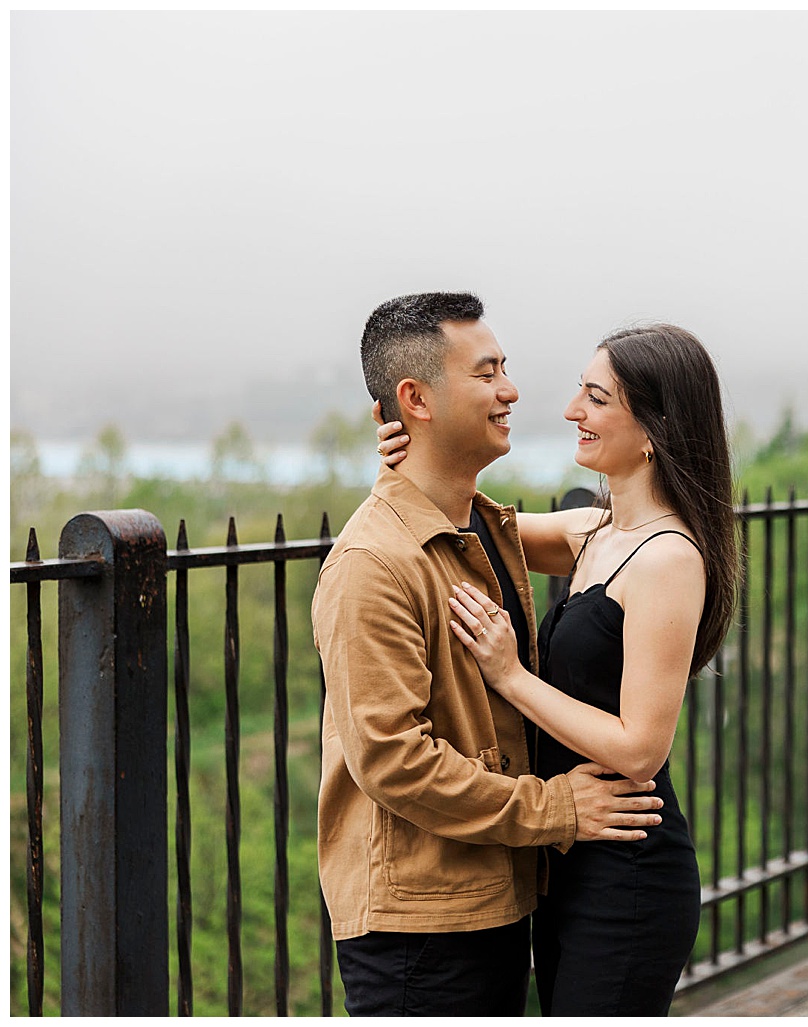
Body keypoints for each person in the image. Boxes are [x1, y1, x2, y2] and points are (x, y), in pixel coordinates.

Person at [314, 292, 667, 1016]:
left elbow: (634, 537)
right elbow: (393, 761)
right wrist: (554, 808)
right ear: (415, 398)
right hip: (418, 928)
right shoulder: (371, 564)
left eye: (504, 367)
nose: (509, 389)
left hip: (489, 896)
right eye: (486, 373)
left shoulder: (482, 528)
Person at [376, 322, 738, 1014]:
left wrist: (511, 676)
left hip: (627, 868)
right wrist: (406, 460)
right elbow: (465, 525)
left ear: (655, 427)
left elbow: (641, 744)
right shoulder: (594, 532)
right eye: (580, 391)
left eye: (597, 398)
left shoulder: (668, 558)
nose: (573, 410)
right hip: (569, 857)